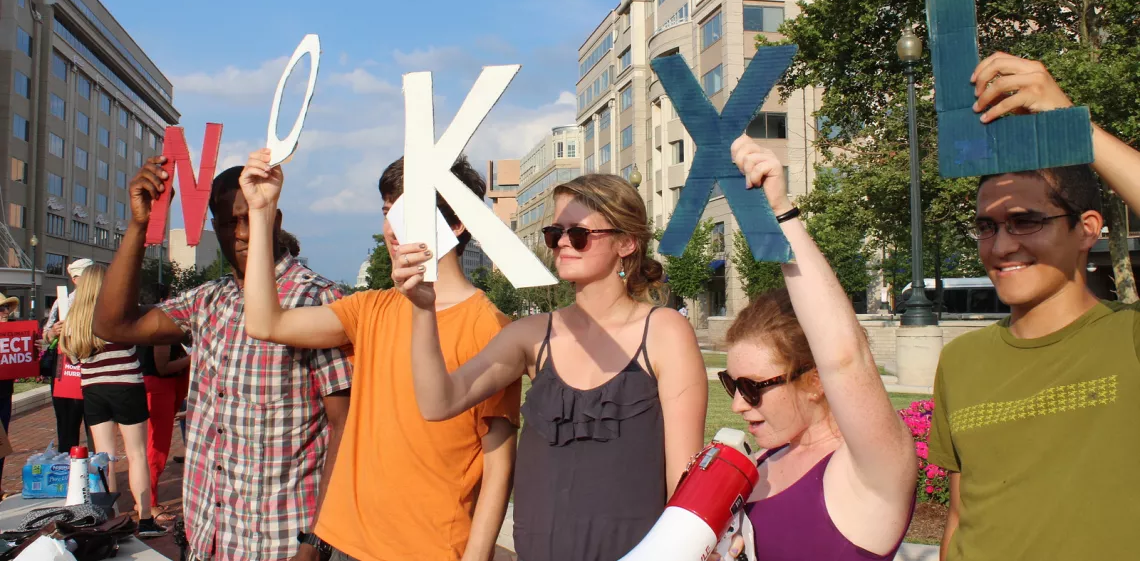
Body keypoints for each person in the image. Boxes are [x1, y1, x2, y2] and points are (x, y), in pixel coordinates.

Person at [393, 172, 708, 560]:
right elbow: (437, 403)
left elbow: (686, 484)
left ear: (626, 243)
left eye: (578, 234)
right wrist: (423, 311)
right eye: (554, 232)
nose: (561, 242)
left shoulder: (664, 331)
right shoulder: (531, 335)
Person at [241, 151, 519, 561]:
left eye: (405, 213)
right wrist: (261, 212)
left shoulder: (491, 327)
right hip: (346, 541)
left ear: (457, 223)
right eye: (387, 211)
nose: (390, 229)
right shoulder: (370, 308)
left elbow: (498, 464)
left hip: (429, 548)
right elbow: (265, 323)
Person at [929, 53, 1140, 561]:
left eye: (1025, 221)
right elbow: (960, 517)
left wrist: (1076, 128)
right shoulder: (962, 361)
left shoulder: (1129, 338)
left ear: (1088, 228)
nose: (1001, 247)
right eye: (987, 226)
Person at [92, 160, 353, 561]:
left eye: (251, 218)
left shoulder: (316, 300)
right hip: (209, 537)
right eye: (230, 223)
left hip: (280, 541)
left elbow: (346, 425)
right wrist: (138, 227)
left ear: (275, 217)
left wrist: (316, 542)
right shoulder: (209, 301)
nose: (243, 234)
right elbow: (114, 324)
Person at [711, 139, 915, 561]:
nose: (737, 405)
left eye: (751, 387)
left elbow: (846, 356)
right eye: (730, 383)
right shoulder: (766, 458)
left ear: (815, 380)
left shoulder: (870, 467)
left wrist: (781, 214)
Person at [58, 265, 165, 538]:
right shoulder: (119, 312)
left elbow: (70, 357)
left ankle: (112, 518)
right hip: (127, 386)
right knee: (137, 454)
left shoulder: (74, 317)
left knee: (105, 459)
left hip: (93, 389)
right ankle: (145, 519)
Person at [42, 258, 95, 453]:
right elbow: (46, 336)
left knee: (97, 431)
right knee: (67, 428)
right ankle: (66, 473)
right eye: (88, 275)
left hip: (95, 371)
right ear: (75, 279)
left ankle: (98, 475)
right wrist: (52, 332)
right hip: (67, 372)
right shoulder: (62, 302)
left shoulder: (104, 301)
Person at [137, 341, 190, 515]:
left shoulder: (153, 326)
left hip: (159, 386)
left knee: (151, 447)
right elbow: (163, 367)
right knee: (156, 448)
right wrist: (194, 358)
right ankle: (149, 504)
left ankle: (147, 501)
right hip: (159, 387)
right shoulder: (162, 330)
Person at [0, 293, 21, 500]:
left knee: (1, 444)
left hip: (4, 394)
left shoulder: (13, 334)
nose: (5, 312)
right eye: (1, 309)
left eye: (6, 307)